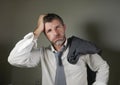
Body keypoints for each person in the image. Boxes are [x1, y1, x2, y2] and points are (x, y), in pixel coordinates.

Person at [8, 13, 109, 85]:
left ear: (64, 27)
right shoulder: (42, 54)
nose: (55, 33)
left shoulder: (80, 48)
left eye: (58, 27)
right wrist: (37, 30)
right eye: (49, 30)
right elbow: (14, 59)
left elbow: (102, 66)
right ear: (45, 35)